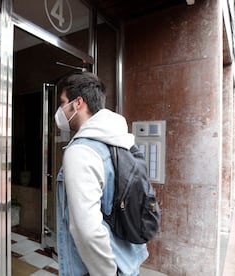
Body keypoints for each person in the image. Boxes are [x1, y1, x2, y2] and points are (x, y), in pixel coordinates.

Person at [55, 72, 149, 275]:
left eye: (63, 102)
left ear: (78, 103)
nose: (60, 111)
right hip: (127, 259)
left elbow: (87, 231)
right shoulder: (119, 140)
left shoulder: (81, 152)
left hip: (101, 269)